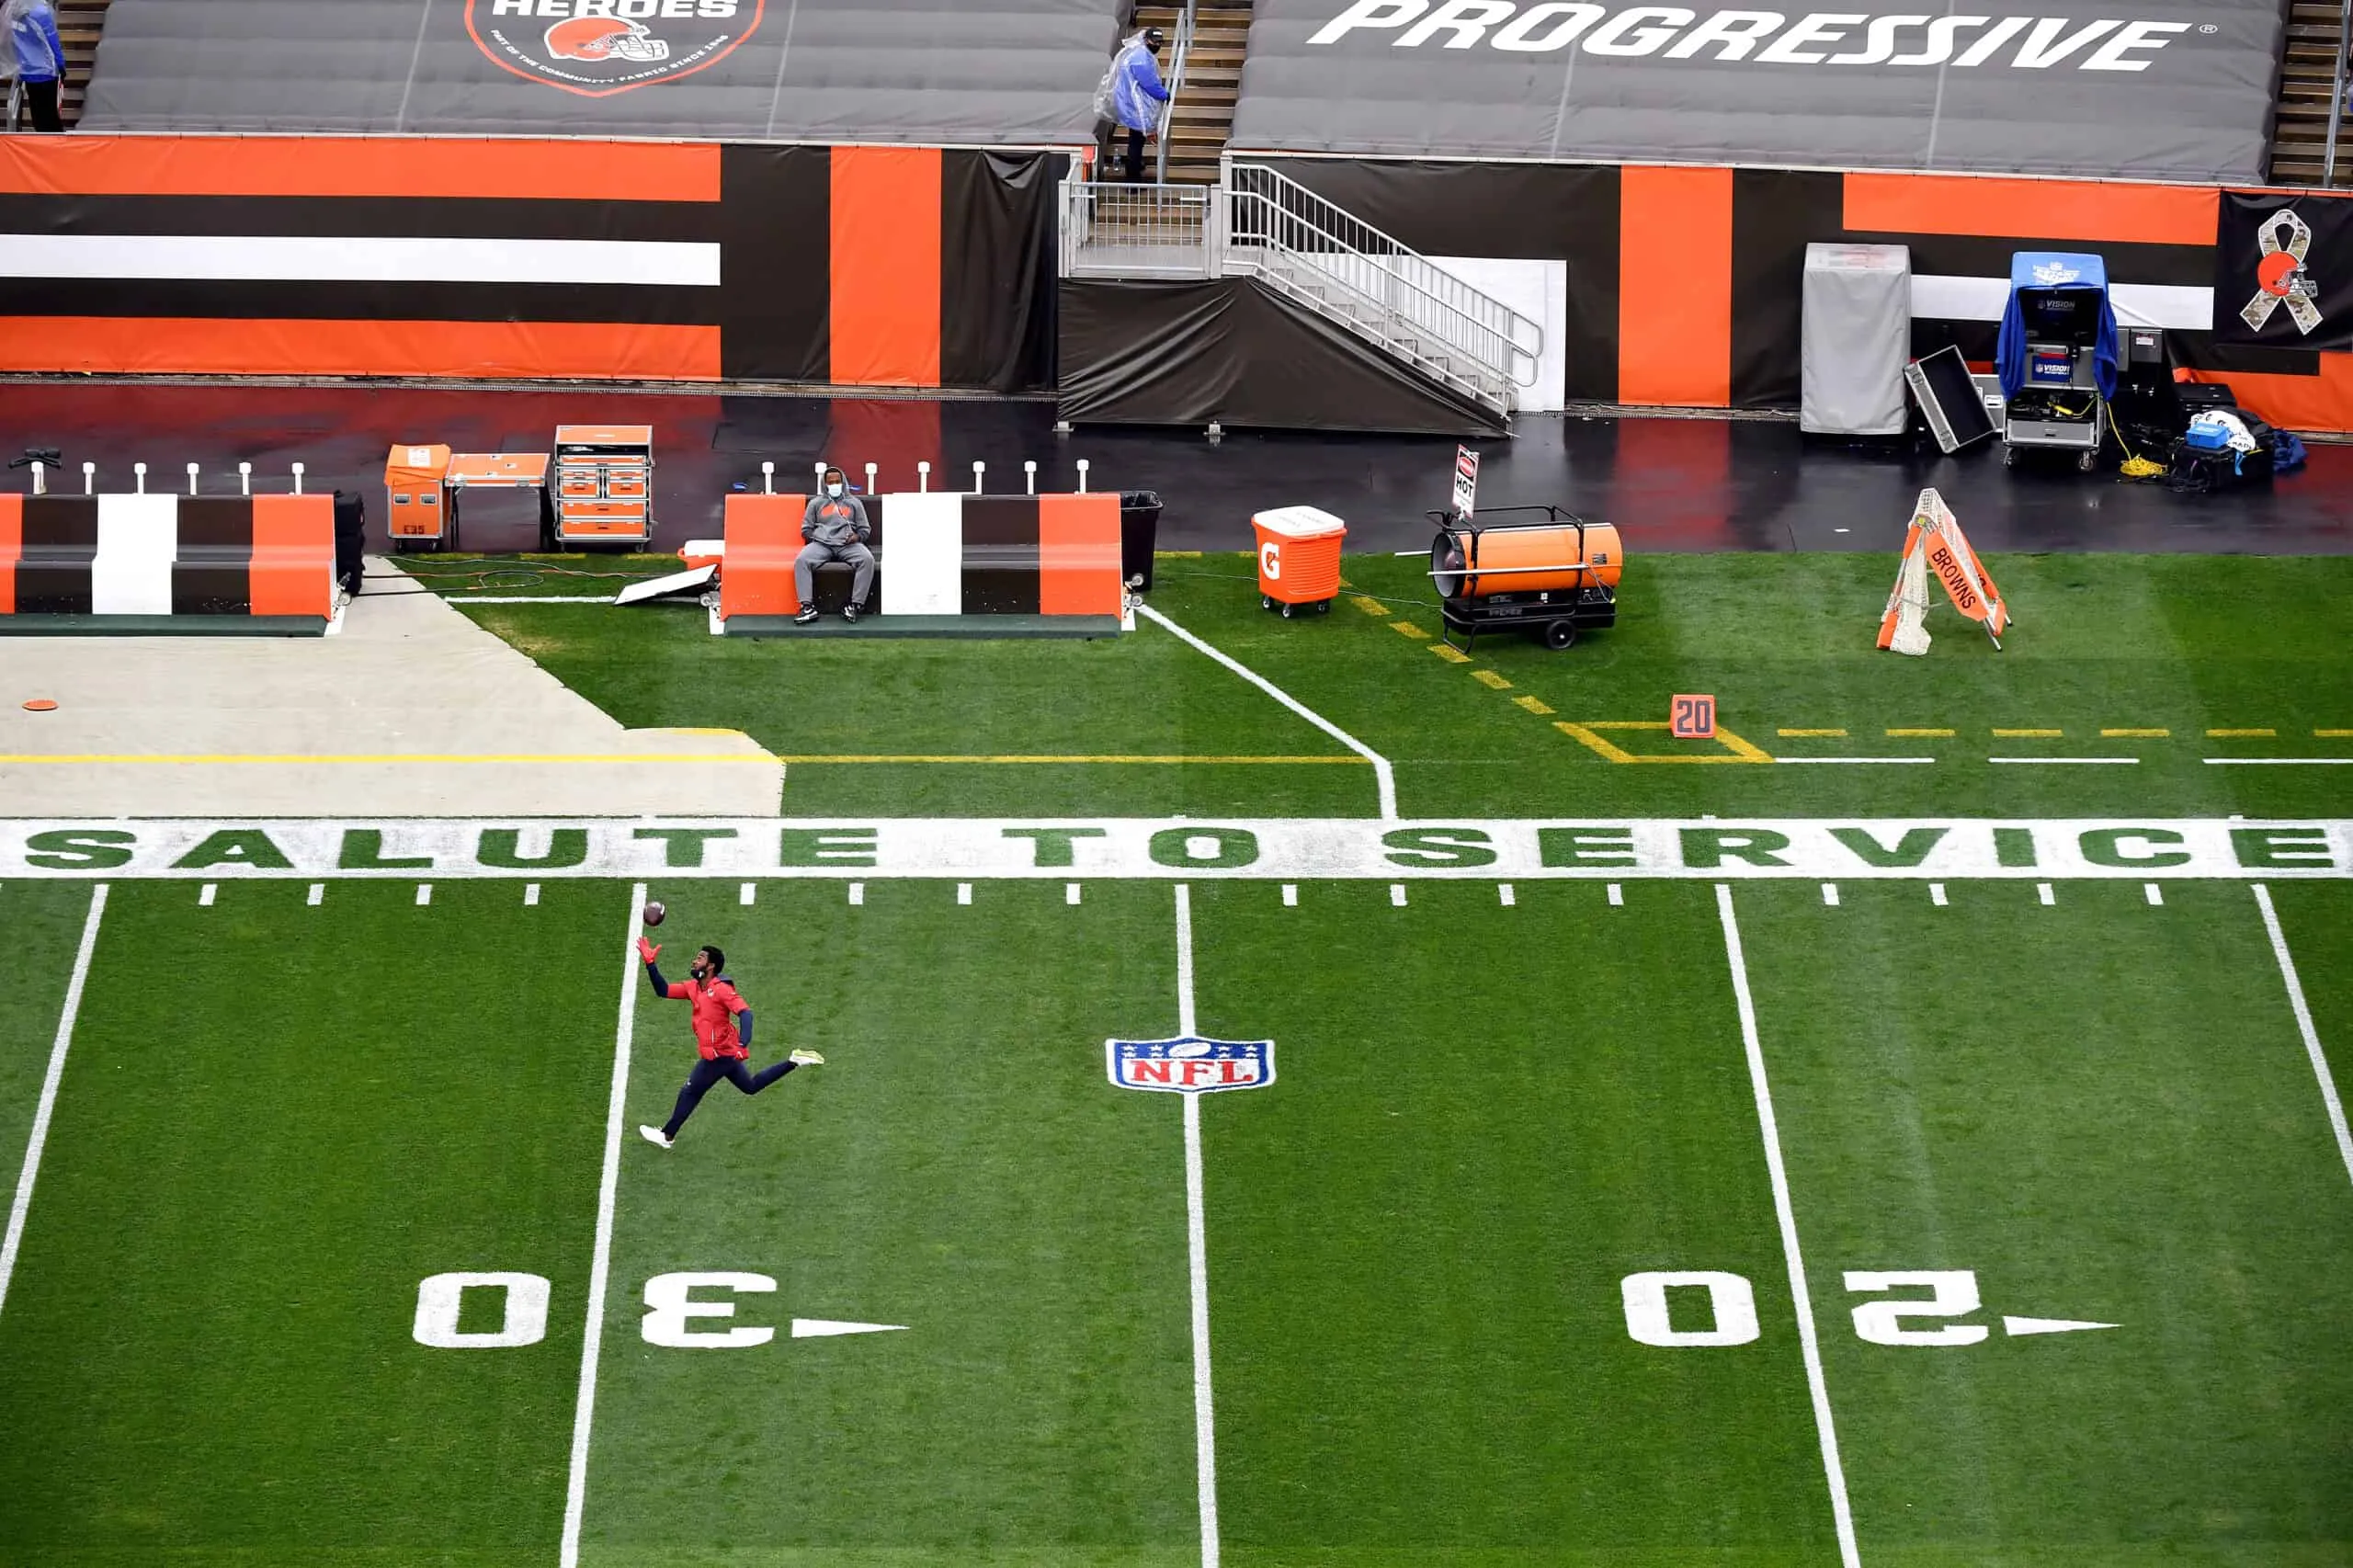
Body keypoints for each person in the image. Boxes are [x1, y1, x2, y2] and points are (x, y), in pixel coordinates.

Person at [636, 938, 822, 1150]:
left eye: (700, 958)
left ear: (711, 966)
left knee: (691, 1091)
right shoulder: (694, 988)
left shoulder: (721, 990)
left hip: (720, 1055)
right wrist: (650, 964)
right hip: (726, 1052)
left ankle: (667, 1136)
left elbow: (746, 1013)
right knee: (750, 1086)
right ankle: (794, 1060)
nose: (694, 961)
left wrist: (743, 1044)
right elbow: (663, 990)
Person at [795, 465, 875, 626]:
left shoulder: (854, 503)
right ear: (825, 484)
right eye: (830, 482)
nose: (834, 485)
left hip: (848, 544)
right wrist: (819, 537)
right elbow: (806, 529)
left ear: (843, 482)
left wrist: (857, 537)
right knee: (802, 560)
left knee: (867, 559)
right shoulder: (816, 503)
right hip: (821, 545)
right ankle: (807, 608)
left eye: (837, 481)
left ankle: (854, 605)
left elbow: (865, 529)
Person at [1101, 27, 1169, 184]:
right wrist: (1164, 95)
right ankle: (1133, 180)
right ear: (1146, 40)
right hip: (1134, 107)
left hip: (1131, 105)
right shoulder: (1141, 57)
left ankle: (1136, 168)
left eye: (1160, 42)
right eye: (1155, 42)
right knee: (1136, 143)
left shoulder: (1138, 53)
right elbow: (1150, 84)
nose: (1158, 45)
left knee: (1136, 140)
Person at [5, 0, 64, 133]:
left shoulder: (13, 12)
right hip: (47, 71)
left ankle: (41, 142)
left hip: (27, 70)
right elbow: (53, 41)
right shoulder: (42, 12)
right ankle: (55, 146)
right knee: (51, 116)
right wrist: (61, 65)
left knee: (38, 115)